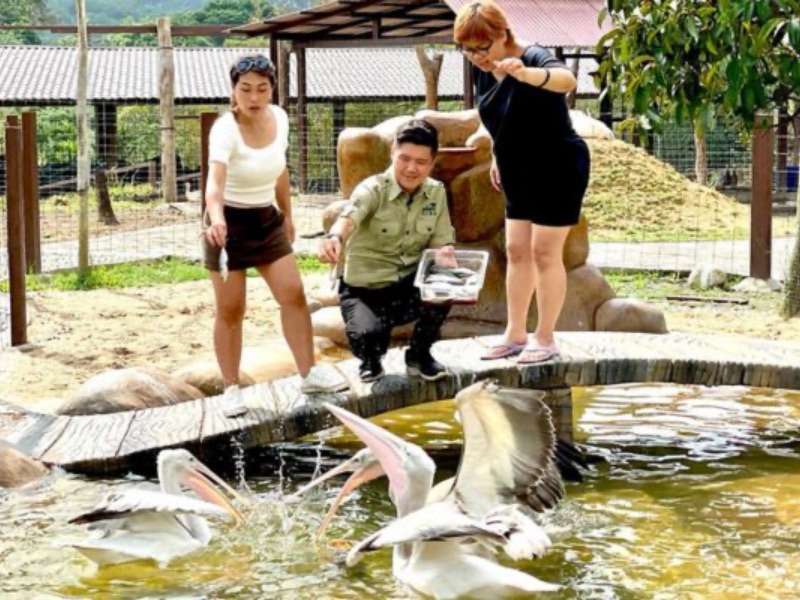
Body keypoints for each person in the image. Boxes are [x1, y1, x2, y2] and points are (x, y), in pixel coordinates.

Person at [203, 54, 347, 418]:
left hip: (266, 219)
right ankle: (231, 388)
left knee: (293, 296)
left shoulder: (280, 118)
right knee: (232, 309)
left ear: (272, 90)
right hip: (227, 225)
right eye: (245, 89)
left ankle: (309, 374)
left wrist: (287, 215)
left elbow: (280, 169)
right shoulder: (224, 128)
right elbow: (214, 184)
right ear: (233, 90)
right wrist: (216, 218)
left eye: (262, 89)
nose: (254, 97)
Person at [454, 0, 591, 363]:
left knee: (544, 252)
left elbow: (567, 80)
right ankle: (514, 333)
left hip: (557, 165)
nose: (476, 57)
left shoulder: (533, 55)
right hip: (518, 168)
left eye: (482, 48)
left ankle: (544, 337)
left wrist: (527, 74)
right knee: (516, 250)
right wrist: (499, 154)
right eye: (467, 51)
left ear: (502, 35)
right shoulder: (482, 69)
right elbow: (501, 118)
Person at [319, 119, 457, 383]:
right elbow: (349, 217)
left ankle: (419, 355)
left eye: (421, 161)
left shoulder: (436, 192)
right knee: (368, 338)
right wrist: (334, 236)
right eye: (404, 158)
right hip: (365, 289)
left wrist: (445, 258)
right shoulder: (373, 188)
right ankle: (370, 358)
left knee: (446, 287)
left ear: (432, 162)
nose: (411, 168)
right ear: (393, 151)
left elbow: (441, 242)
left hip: (407, 285)